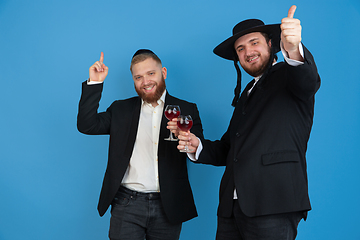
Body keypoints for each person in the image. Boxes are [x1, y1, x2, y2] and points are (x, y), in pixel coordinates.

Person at [175, 5, 320, 240]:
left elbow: (307, 80)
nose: (248, 51)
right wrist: (196, 146)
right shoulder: (247, 93)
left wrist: (293, 49)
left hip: (273, 204)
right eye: (240, 48)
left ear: (271, 44)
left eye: (254, 43)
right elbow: (229, 149)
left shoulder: (288, 74)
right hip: (231, 210)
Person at [77, 49, 203, 240]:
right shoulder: (121, 109)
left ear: (164, 73)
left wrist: (187, 140)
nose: (145, 82)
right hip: (127, 203)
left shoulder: (186, 109)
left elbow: (199, 150)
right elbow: (87, 125)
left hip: (169, 205)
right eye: (138, 77)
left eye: (151, 73)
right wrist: (95, 82)